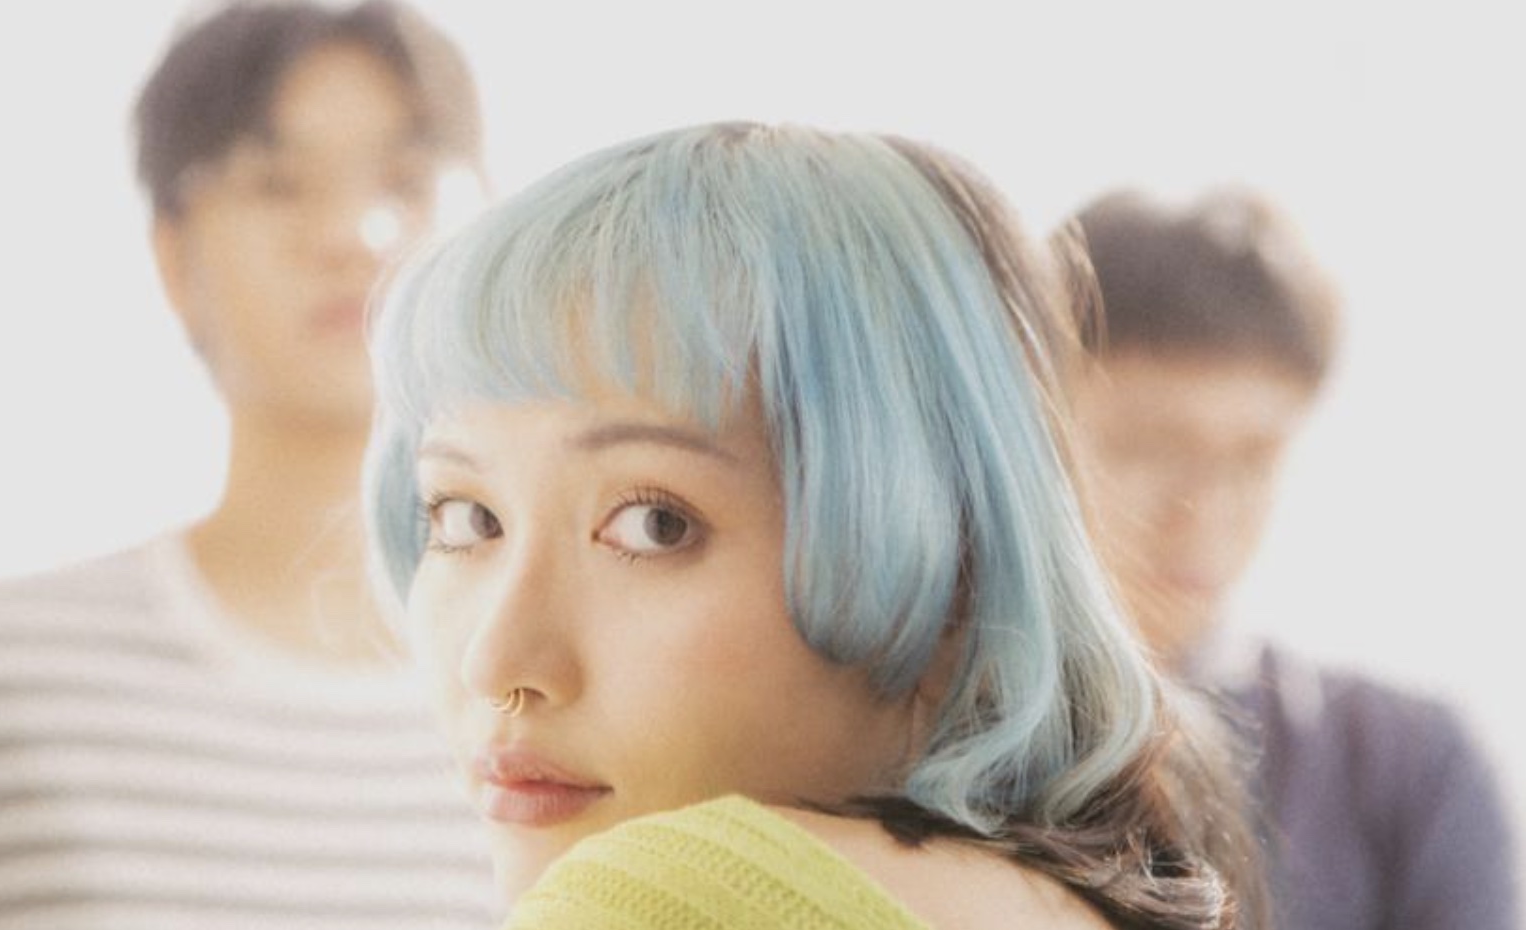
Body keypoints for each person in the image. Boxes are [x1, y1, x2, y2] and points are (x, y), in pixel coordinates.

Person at [364, 121, 1270, 929]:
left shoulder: (668, 900)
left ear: (951, 582)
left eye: (654, 525)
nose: (497, 663)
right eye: (466, 517)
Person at [0, 2, 498, 927]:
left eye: (406, 180)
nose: (354, 234)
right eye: (278, 184)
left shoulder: (566, 689)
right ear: (175, 260)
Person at [1067, 185, 1521, 930]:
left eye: (1254, 457)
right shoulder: (932, 752)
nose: (1204, 509)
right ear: (1035, 427)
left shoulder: (1408, 770)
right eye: (1150, 446)